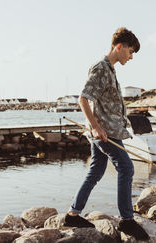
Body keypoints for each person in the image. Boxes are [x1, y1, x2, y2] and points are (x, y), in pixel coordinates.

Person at [63, 27, 149, 240]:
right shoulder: (101, 68)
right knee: (127, 168)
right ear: (119, 47)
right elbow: (83, 99)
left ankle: (73, 214)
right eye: (130, 51)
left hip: (108, 130)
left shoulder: (110, 69)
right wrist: (95, 127)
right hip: (104, 132)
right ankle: (127, 221)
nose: (131, 57)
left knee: (96, 171)